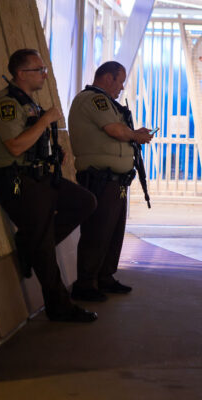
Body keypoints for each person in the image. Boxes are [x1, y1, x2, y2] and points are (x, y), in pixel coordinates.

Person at [0, 49, 98, 323]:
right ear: (21, 74)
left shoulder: (30, 103)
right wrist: (46, 120)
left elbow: (34, 142)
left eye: (44, 69)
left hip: (41, 177)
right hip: (19, 182)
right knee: (44, 245)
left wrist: (54, 153)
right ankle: (59, 306)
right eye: (39, 69)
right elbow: (15, 146)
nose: (44, 74)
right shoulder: (6, 103)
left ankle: (28, 246)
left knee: (85, 202)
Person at [68, 61, 152, 302]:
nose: (121, 87)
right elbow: (114, 130)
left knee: (112, 232)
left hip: (115, 181)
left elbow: (118, 130)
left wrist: (134, 135)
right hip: (100, 179)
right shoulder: (95, 99)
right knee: (97, 231)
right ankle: (85, 283)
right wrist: (136, 135)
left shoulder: (108, 104)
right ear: (107, 78)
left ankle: (104, 277)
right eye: (120, 81)